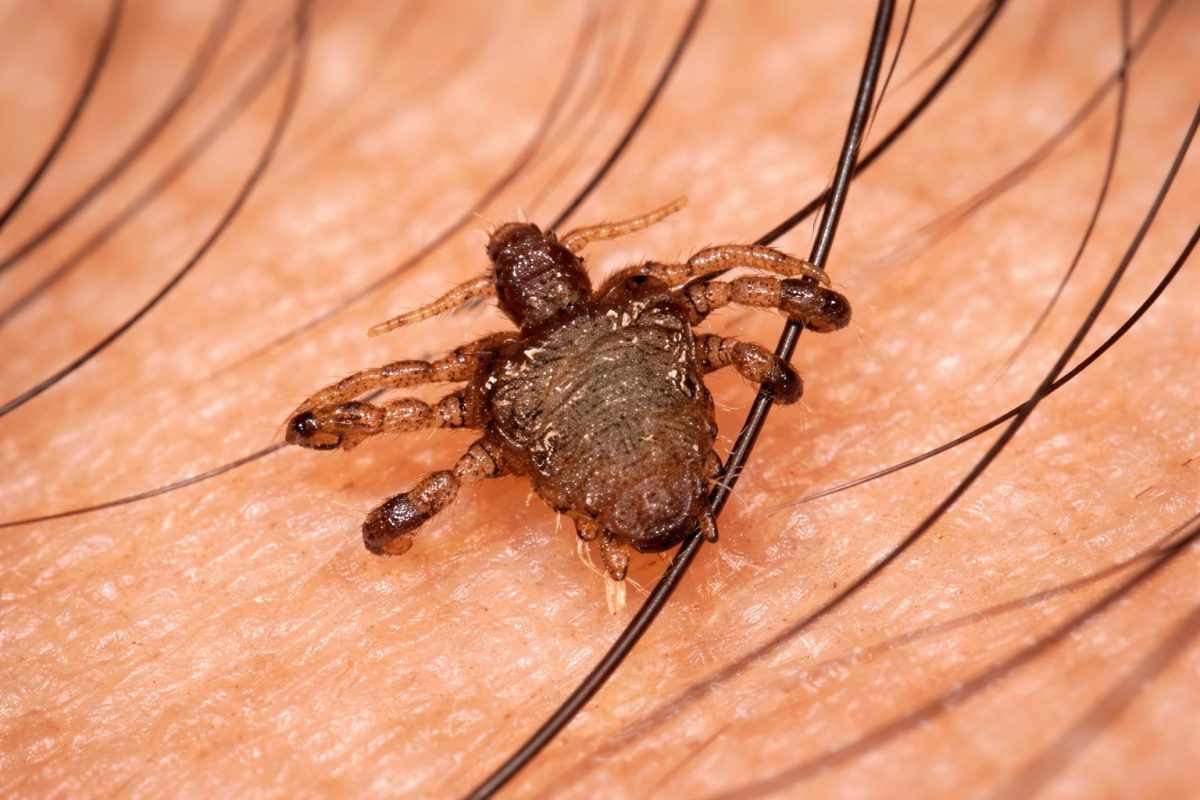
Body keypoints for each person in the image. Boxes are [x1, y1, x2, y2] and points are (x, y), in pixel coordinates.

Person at [1, 1, 1196, 796]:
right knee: (640, 357)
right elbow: (765, 286)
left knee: (460, 441)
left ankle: (506, 507)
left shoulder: (497, 372)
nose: (531, 271)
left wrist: (363, 425)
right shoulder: (656, 303)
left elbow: (344, 412)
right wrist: (770, 335)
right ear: (570, 268)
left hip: (579, 423)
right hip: (642, 397)